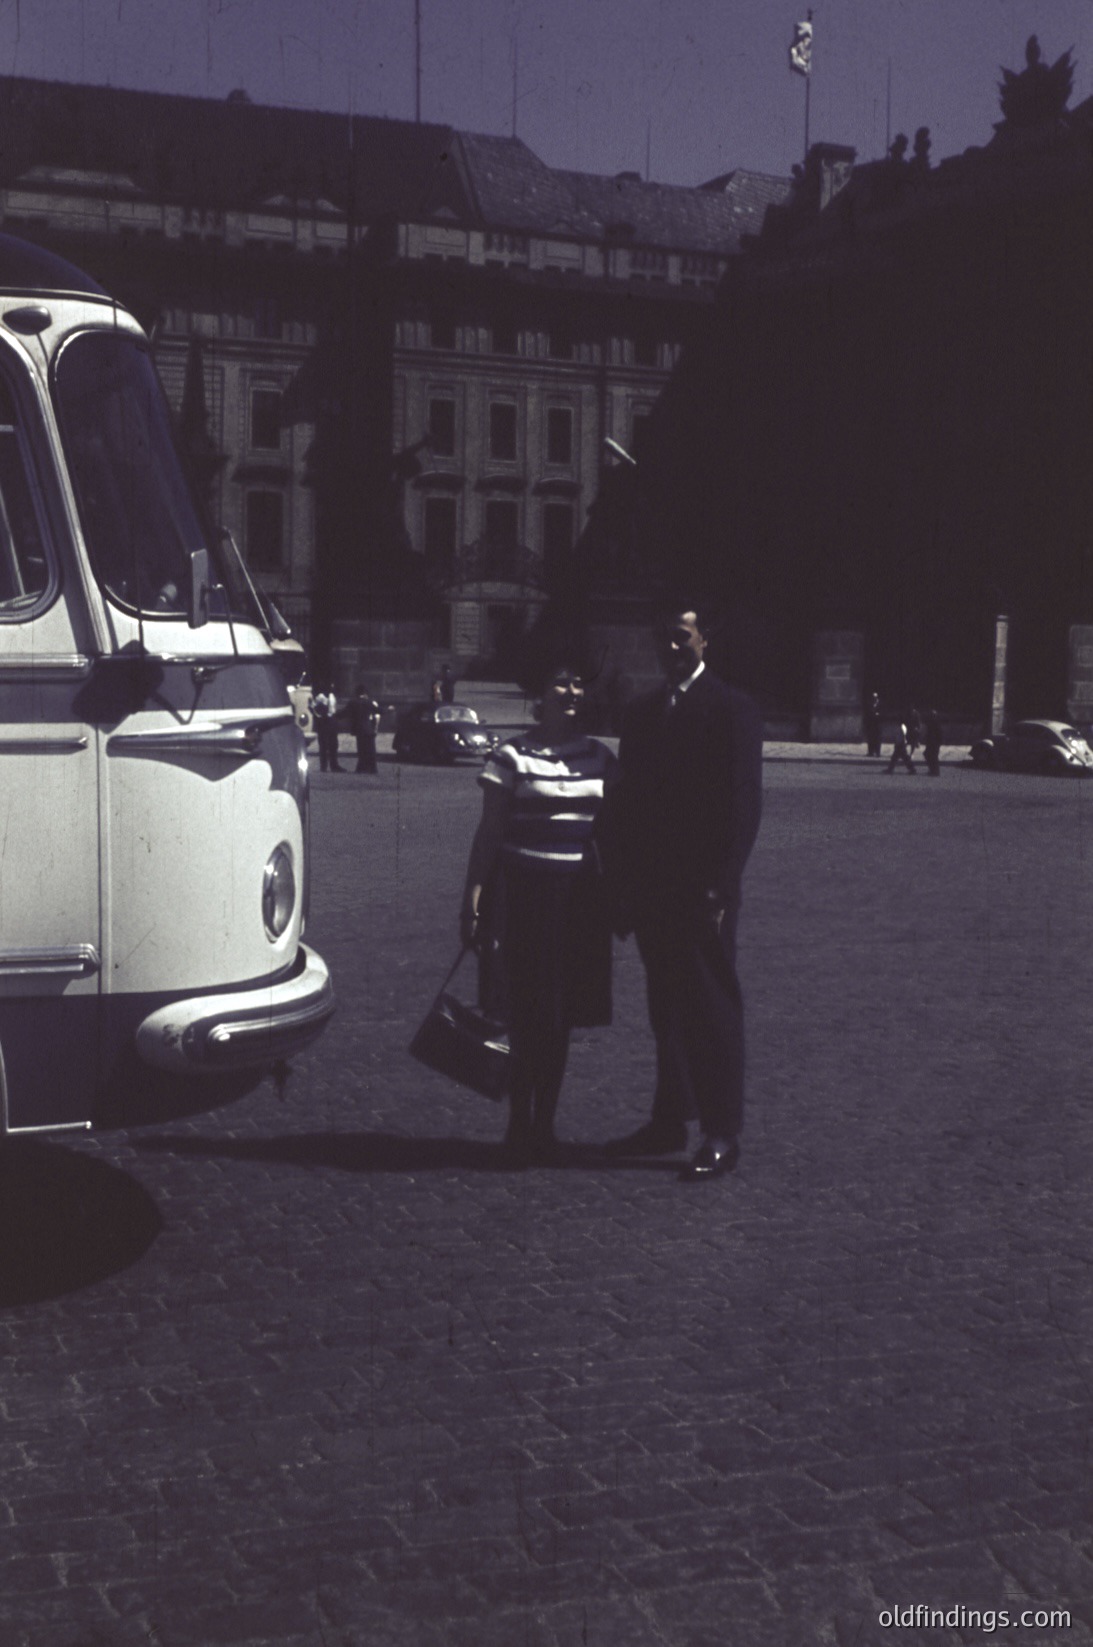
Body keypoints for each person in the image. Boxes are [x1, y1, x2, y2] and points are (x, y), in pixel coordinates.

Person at [604, 605, 763, 1182]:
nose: (671, 649)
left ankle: (722, 1132)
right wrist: (622, 888)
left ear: (704, 640)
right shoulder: (643, 712)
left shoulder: (732, 709)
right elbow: (627, 808)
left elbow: (743, 805)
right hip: (652, 890)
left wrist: (723, 885)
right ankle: (669, 1118)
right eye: (664, 639)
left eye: (681, 638)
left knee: (712, 1011)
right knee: (664, 1010)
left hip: (703, 891)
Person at [460, 663, 617, 1162]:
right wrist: (474, 898)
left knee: (562, 1017)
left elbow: (614, 834)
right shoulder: (511, 756)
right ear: (539, 692)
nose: (572, 691)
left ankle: (544, 1124)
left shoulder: (599, 756)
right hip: (524, 898)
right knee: (528, 1016)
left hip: (579, 902)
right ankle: (517, 1124)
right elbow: (489, 833)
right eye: (562, 681)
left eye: (578, 682)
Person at [310, 683, 343, 773]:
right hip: (324, 721)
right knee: (323, 744)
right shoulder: (320, 696)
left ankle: (334, 765)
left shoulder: (332, 696)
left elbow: (333, 708)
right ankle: (323, 765)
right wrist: (318, 716)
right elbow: (312, 707)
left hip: (331, 719)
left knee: (333, 744)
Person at [347, 686, 380, 774]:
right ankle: (372, 768)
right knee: (371, 749)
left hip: (359, 729)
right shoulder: (370, 702)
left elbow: (346, 713)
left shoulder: (353, 702)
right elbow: (378, 713)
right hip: (369, 728)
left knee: (361, 749)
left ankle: (361, 767)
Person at [923, 708, 943, 777]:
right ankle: (933, 770)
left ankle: (935, 771)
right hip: (931, 742)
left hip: (934, 743)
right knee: (929, 755)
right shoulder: (931, 724)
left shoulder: (936, 724)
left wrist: (939, 742)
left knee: (933, 756)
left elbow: (939, 734)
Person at [864, 691, 882, 758]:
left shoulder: (880, 704)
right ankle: (870, 752)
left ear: (877, 698)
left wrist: (879, 714)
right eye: (873, 697)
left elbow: (883, 713)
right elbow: (867, 713)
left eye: (875, 697)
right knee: (871, 738)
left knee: (878, 739)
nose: (874, 699)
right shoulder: (870, 704)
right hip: (871, 724)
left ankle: (878, 752)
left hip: (878, 724)